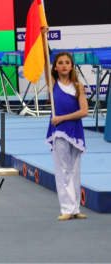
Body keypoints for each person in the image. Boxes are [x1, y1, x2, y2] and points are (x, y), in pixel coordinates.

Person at [44, 49, 88, 221]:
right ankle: (67, 209)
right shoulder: (52, 84)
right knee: (63, 170)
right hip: (59, 132)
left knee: (75, 170)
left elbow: (84, 111)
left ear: (71, 66)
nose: (64, 65)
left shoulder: (79, 86)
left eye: (67, 63)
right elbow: (45, 61)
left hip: (75, 131)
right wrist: (42, 36)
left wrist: (62, 118)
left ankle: (75, 208)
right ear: (55, 67)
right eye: (60, 63)